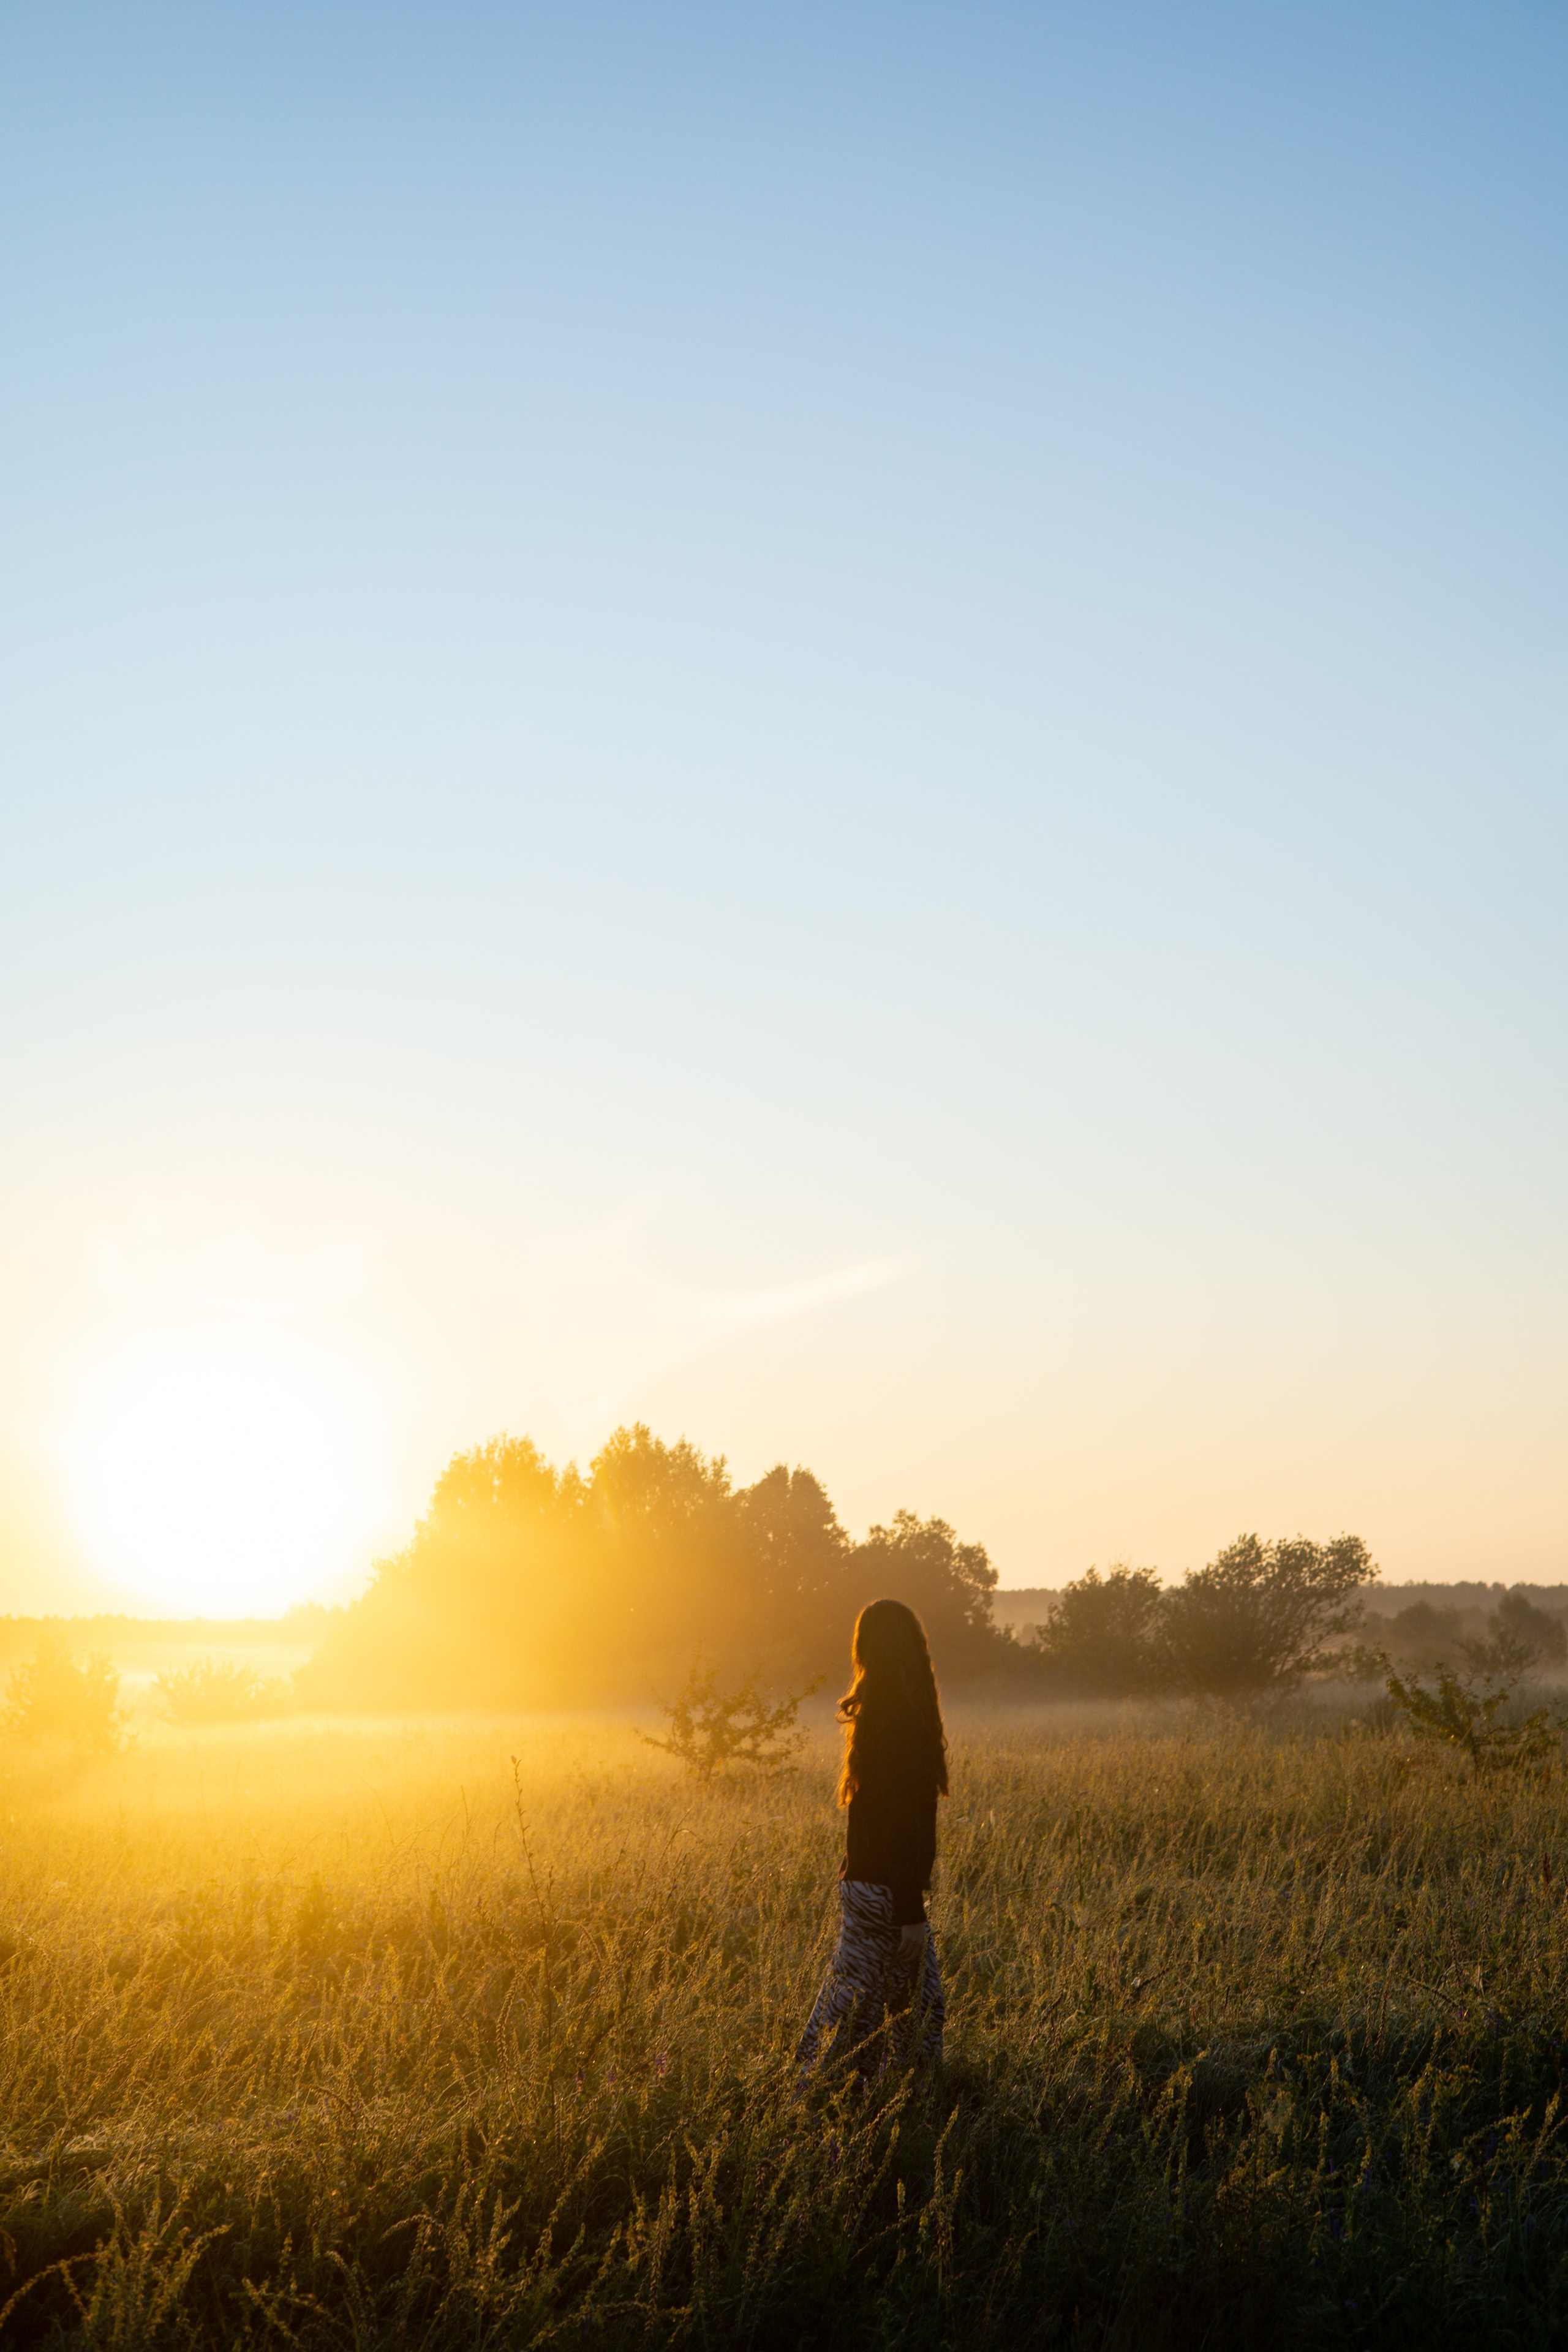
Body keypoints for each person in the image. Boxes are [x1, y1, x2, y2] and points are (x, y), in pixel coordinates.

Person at [795, 1596, 948, 2078]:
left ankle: (895, 2096)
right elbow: (898, 1824)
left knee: (899, 2009)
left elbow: (875, 1813)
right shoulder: (901, 1721)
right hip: (884, 1893)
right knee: (862, 2014)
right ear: (912, 1648)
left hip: (867, 1886)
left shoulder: (879, 1713)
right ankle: (812, 2095)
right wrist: (910, 1912)